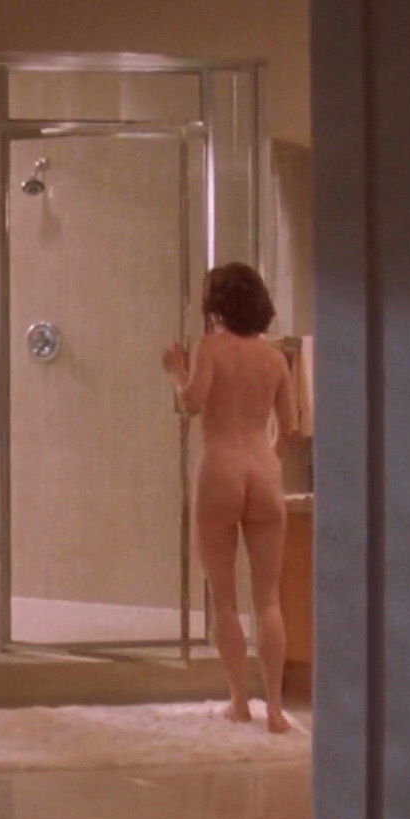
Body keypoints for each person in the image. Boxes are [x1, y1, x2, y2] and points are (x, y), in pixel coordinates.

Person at [162, 263, 300, 733]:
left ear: (216, 305)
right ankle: (276, 709)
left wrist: (176, 371)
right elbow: (289, 426)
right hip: (264, 469)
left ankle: (240, 702)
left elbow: (191, 402)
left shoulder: (211, 348)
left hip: (221, 468)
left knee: (224, 601)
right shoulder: (275, 359)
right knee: (268, 600)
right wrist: (269, 457)